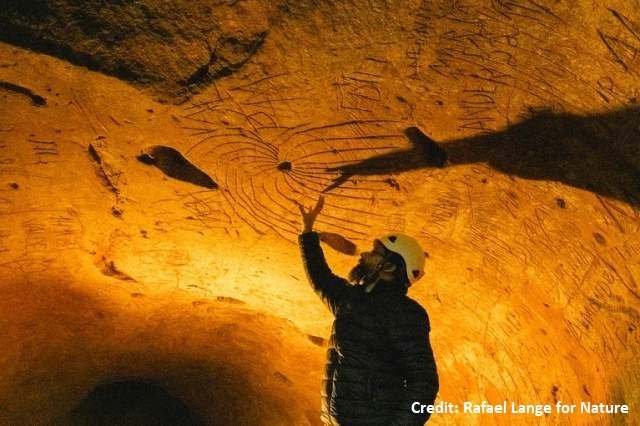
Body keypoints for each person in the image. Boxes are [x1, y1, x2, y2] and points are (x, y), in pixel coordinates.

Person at [296, 196, 439, 425]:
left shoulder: (406, 314)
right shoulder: (353, 300)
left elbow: (423, 383)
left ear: (389, 266)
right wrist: (308, 233)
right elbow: (321, 279)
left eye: (375, 252)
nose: (364, 254)